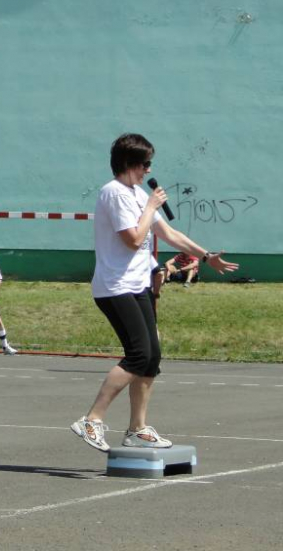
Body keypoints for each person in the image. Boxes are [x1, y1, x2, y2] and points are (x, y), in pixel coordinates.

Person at [71, 133, 238, 452]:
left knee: (152, 357)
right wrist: (149, 206)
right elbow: (133, 238)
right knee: (138, 354)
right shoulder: (114, 193)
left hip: (138, 284)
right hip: (114, 287)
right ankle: (91, 420)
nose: (149, 170)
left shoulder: (134, 195)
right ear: (129, 164)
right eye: (145, 164)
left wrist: (206, 256)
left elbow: (170, 233)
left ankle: (137, 428)